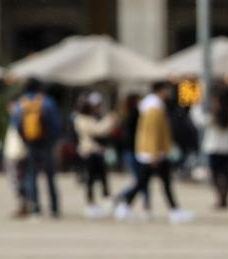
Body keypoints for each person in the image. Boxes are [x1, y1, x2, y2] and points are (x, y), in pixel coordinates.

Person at [114, 81, 193, 224]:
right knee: (145, 182)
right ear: (161, 90)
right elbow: (152, 133)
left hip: (155, 151)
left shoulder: (152, 106)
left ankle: (174, 210)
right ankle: (125, 203)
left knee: (155, 182)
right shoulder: (154, 108)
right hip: (154, 152)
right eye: (167, 90)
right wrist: (154, 153)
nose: (169, 93)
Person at [11, 78, 62, 218]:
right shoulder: (47, 102)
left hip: (30, 144)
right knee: (50, 176)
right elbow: (57, 124)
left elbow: (16, 125)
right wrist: (52, 140)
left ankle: (35, 207)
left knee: (31, 175)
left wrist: (26, 140)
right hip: (46, 143)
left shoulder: (21, 104)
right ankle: (54, 208)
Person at [191, 87, 228, 210]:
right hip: (227, 148)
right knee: (227, 174)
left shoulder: (214, 114)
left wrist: (195, 106)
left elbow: (199, 121)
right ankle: (225, 198)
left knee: (216, 175)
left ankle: (220, 198)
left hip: (213, 148)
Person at [74, 92, 118, 218]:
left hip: (96, 152)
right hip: (90, 153)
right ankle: (91, 204)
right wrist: (109, 120)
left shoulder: (89, 118)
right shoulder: (83, 119)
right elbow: (98, 130)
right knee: (91, 180)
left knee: (102, 178)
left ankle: (104, 202)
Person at [114, 93, 151, 213]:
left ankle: (143, 204)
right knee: (142, 180)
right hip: (136, 150)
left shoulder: (125, 114)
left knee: (142, 180)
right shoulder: (136, 114)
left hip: (130, 150)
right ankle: (123, 198)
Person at [3, 100, 29, 218]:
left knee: (17, 181)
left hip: (15, 154)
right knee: (20, 180)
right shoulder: (21, 116)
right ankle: (24, 205)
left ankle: (23, 206)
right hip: (19, 153)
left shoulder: (17, 116)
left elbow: (17, 138)